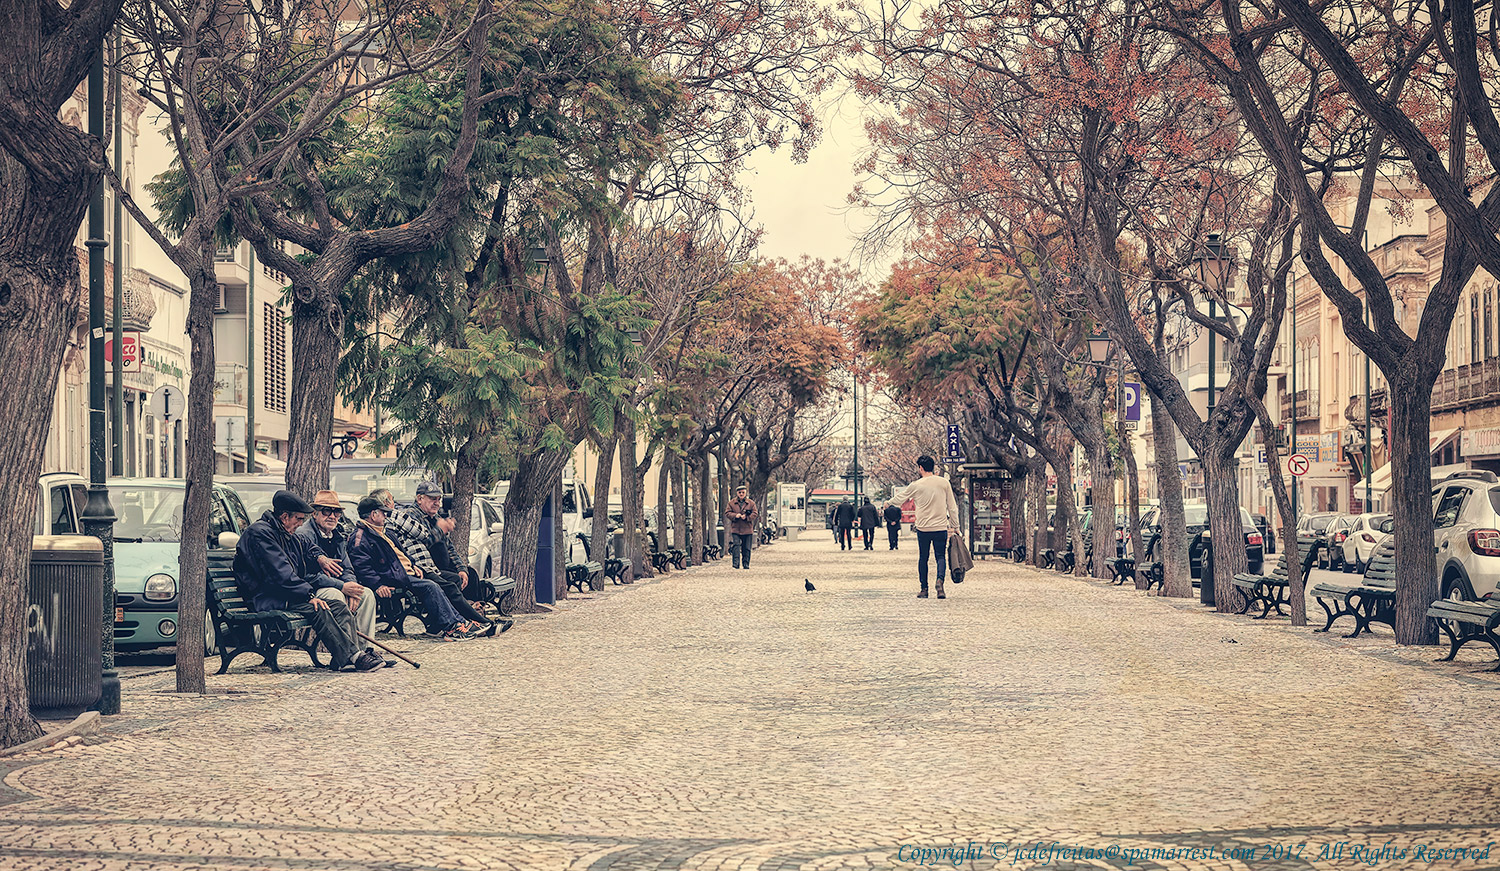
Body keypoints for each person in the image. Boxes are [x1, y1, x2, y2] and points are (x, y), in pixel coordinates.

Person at [232, 490, 383, 671]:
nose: (301, 523)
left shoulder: (285, 531)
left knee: (337, 606)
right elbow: (281, 573)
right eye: (298, 519)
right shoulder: (261, 534)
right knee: (319, 608)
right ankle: (354, 656)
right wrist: (309, 595)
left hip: (284, 594)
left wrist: (320, 557)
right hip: (266, 596)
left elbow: (306, 544)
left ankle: (346, 657)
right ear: (285, 516)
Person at [347, 496, 478, 641]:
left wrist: (414, 565)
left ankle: (457, 623)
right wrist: (378, 585)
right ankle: (453, 627)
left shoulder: (384, 532)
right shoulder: (360, 537)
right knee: (430, 586)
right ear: (373, 515)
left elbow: (404, 553)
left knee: (443, 582)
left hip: (404, 573)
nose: (386, 515)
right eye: (383, 512)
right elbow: (362, 567)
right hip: (393, 577)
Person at [383, 482, 497, 635]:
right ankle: (475, 623)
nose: (437, 503)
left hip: (435, 567)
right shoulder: (410, 517)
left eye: (438, 499)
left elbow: (450, 547)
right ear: (419, 499)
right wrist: (440, 529)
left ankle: (469, 619)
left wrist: (461, 568)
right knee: (448, 584)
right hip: (422, 568)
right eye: (432, 499)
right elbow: (426, 540)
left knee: (469, 575)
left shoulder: (435, 517)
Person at [295, 490, 385, 665]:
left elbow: (347, 567)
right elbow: (305, 575)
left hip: (337, 585)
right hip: (313, 590)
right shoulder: (304, 535)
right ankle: (345, 655)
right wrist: (342, 587)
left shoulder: (337, 535)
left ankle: (365, 651)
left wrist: (351, 585)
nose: (332, 516)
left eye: (336, 512)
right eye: (326, 511)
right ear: (315, 513)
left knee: (365, 594)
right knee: (335, 596)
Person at [891, 456, 962, 599]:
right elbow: (952, 507)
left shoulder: (916, 485)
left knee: (923, 557)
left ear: (921, 468)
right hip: (940, 527)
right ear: (933, 467)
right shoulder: (944, 483)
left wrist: (888, 503)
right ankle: (940, 582)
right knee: (940, 556)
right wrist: (955, 526)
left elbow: (900, 498)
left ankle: (924, 589)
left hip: (923, 528)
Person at [724, 484, 759, 570]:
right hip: (736, 528)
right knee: (736, 546)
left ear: (745, 493)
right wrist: (736, 515)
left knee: (746, 547)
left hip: (747, 529)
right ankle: (736, 564)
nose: (741, 494)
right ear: (737, 493)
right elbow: (727, 513)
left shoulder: (751, 503)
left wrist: (747, 517)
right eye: (740, 492)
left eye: (743, 492)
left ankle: (746, 564)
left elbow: (755, 513)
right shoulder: (731, 503)